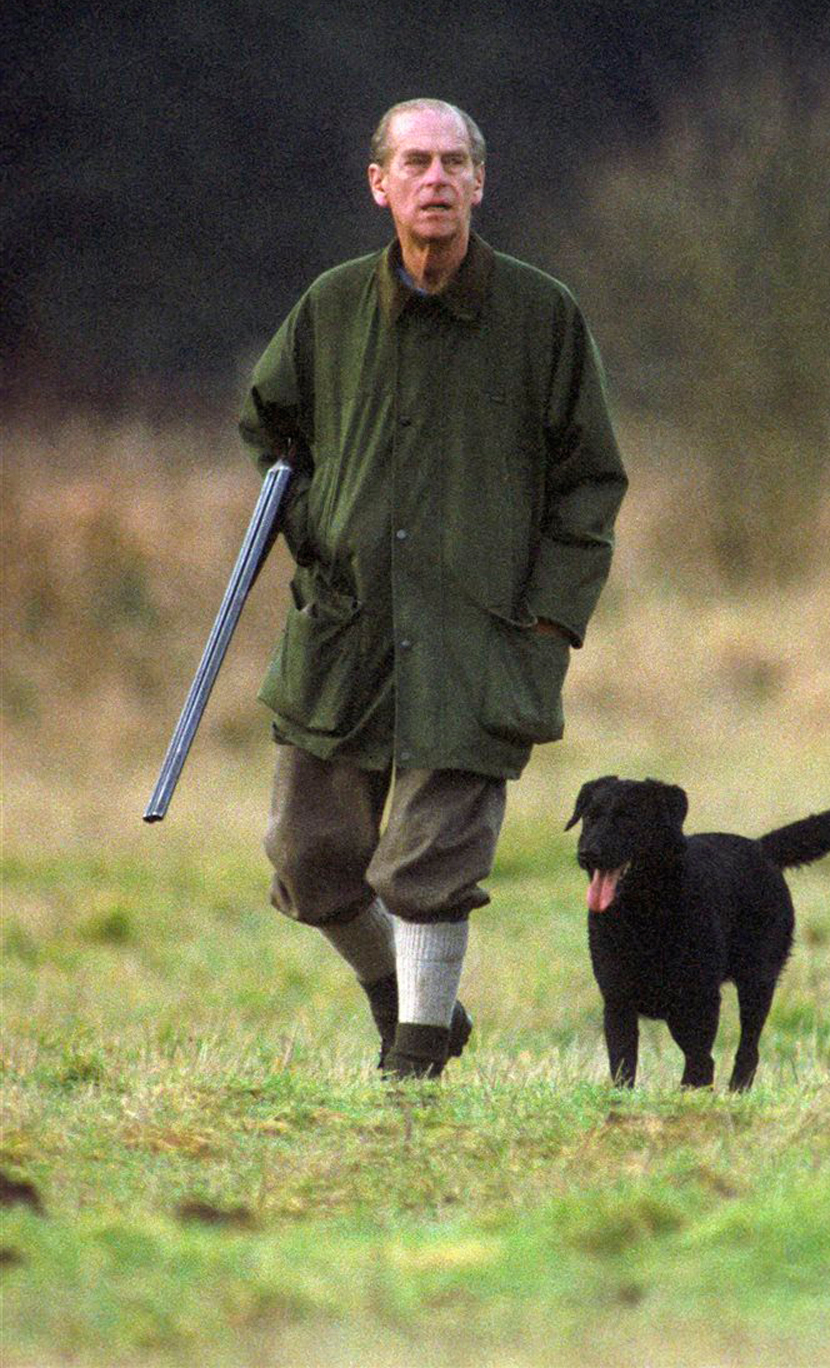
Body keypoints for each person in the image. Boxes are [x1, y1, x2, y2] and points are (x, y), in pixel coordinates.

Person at [238, 99, 627, 1079]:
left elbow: (591, 480)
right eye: (414, 162)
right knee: (308, 859)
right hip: (345, 632)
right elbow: (271, 431)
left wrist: (548, 617)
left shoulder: (543, 316)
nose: (436, 179)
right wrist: (314, 532)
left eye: (455, 162)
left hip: (483, 634)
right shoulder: (329, 308)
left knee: (426, 865)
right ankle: (405, 1006)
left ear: (480, 182)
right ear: (380, 184)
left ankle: (413, 1061)